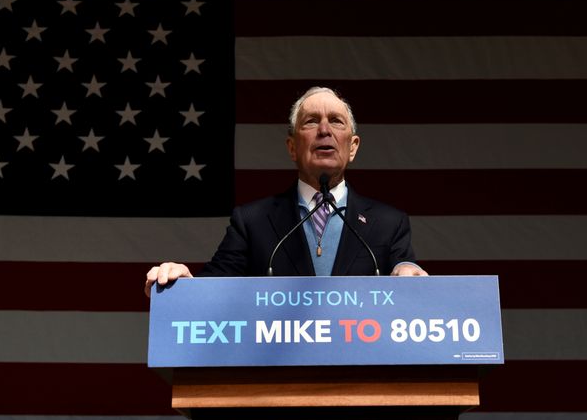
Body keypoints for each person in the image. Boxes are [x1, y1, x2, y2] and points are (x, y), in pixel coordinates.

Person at [145, 87, 427, 297]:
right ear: (292, 147)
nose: (325, 130)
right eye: (311, 121)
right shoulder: (252, 221)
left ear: (352, 147)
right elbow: (213, 287)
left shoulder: (389, 223)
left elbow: (407, 278)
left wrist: (409, 271)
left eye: (336, 121)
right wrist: (182, 284)